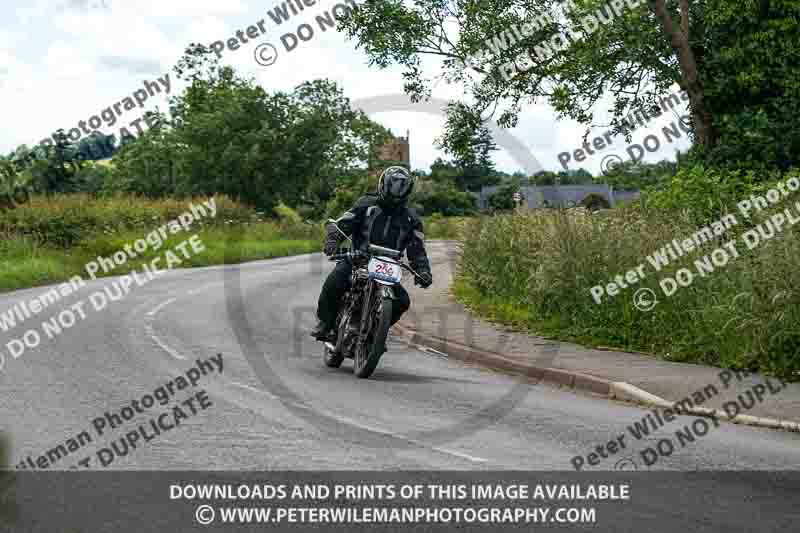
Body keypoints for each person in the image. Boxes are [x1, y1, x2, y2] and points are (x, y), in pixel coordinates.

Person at [311, 166, 433, 341]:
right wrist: (333, 240)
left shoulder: (411, 219)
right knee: (334, 282)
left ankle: (374, 333)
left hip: (388, 267)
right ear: (384, 185)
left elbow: (417, 249)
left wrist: (423, 270)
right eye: (394, 186)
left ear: (408, 190)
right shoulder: (366, 203)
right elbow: (344, 223)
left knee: (402, 301)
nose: (397, 192)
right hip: (358, 259)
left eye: (402, 187)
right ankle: (326, 323)